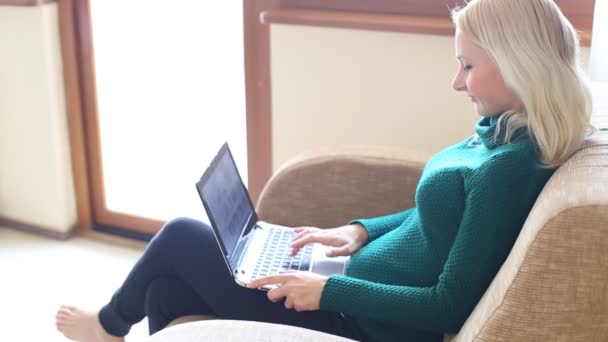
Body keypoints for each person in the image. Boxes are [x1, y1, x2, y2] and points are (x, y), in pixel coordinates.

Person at [56, 0, 593, 341]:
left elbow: (447, 303)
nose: (457, 82)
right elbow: (438, 216)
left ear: (519, 64)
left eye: (468, 65)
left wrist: (326, 294)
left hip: (361, 321)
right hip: (347, 283)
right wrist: (357, 231)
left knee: (179, 238)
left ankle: (106, 327)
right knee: (165, 296)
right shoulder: (501, 133)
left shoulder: (510, 169)